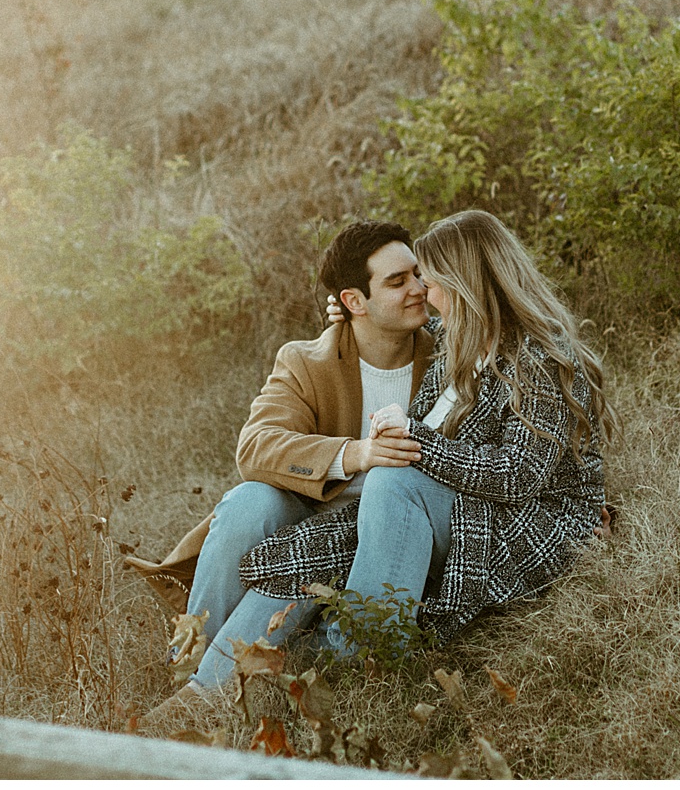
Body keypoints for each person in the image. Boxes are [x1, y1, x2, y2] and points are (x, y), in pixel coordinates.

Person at [237, 209, 611, 665]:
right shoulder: (457, 340)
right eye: (409, 280)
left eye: (427, 279)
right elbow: (384, 324)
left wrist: (416, 441)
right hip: (439, 508)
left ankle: (357, 653)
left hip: (516, 521)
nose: (421, 292)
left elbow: (522, 474)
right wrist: (352, 310)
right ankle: (202, 689)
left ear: (464, 283)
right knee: (307, 552)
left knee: (391, 482)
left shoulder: (536, 356)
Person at [125, 219, 437, 699]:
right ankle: (188, 661)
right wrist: (355, 453)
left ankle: (216, 687)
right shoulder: (306, 360)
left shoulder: (448, 352)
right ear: (354, 301)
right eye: (397, 282)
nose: (418, 288)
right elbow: (256, 447)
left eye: (417, 274)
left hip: (393, 521)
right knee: (249, 502)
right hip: (315, 506)